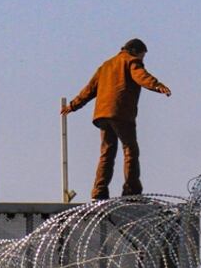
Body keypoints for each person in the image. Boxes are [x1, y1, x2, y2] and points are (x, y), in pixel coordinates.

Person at [61, 38, 171, 200]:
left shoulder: (106, 65)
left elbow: (89, 89)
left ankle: (99, 192)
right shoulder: (131, 61)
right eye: (142, 56)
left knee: (107, 153)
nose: (142, 60)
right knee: (130, 150)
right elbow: (141, 76)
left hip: (102, 114)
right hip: (121, 113)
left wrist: (72, 105)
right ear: (135, 51)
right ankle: (131, 191)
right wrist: (157, 85)